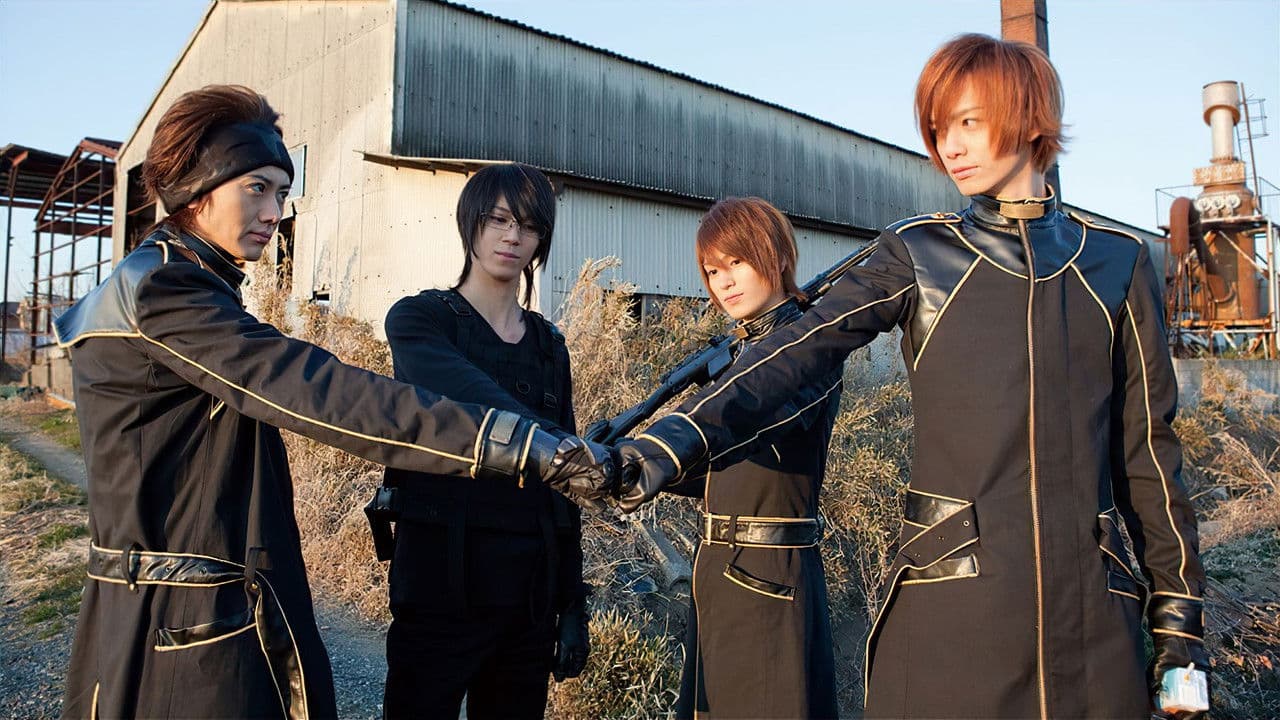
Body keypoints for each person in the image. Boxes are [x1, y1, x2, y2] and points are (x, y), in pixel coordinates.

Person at [586, 35, 1208, 719]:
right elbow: (794, 350)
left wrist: (1180, 634)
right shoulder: (919, 250)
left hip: (1094, 619)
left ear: (1030, 118)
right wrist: (662, 444)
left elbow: (1149, 458)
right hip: (952, 608)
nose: (949, 146)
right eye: (938, 129)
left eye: (968, 121)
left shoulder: (1117, 262)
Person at [53, 85, 612, 720]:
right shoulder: (164, 291)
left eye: (282, 193)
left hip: (202, 599)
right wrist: (531, 445)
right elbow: (321, 390)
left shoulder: (186, 285)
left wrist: (570, 595)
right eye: (257, 188)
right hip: (176, 616)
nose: (274, 212)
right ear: (196, 189)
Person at [376, 163, 588, 719]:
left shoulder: (549, 346)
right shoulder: (421, 320)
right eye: (497, 220)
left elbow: (563, 489)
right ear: (469, 223)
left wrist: (571, 602)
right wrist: (551, 442)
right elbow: (464, 393)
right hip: (440, 583)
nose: (512, 236)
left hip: (528, 595)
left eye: (528, 225)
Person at [664, 197, 842, 719]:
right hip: (716, 569)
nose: (724, 282)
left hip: (771, 574)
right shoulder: (736, 353)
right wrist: (632, 468)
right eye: (712, 271)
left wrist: (661, 452)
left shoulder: (808, 346)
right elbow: (717, 468)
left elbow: (747, 428)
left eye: (737, 262)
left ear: (777, 256)